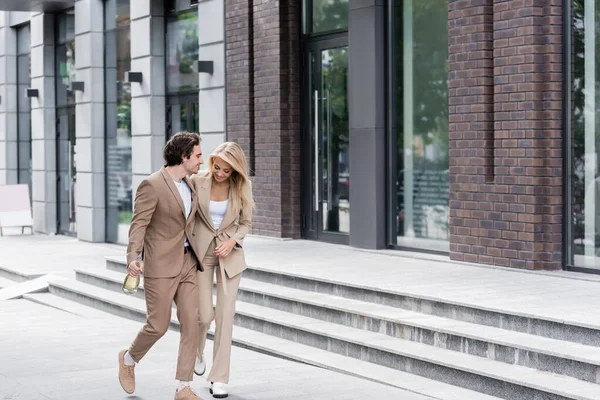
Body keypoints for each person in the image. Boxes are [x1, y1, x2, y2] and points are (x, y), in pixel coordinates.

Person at [118, 132, 205, 400]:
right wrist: (134, 256)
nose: (202, 160)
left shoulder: (191, 184)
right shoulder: (152, 185)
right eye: (198, 155)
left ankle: (183, 387)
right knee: (158, 325)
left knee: (192, 320)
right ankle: (130, 358)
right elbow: (139, 224)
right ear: (184, 156)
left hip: (189, 262)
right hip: (160, 265)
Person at [191, 142, 254, 399]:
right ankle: (197, 350)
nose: (220, 174)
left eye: (227, 171)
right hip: (202, 252)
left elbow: (246, 223)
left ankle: (218, 378)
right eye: (217, 167)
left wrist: (233, 241)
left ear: (235, 170)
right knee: (205, 315)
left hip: (230, 255)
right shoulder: (197, 180)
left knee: (226, 316)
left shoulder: (242, 186)